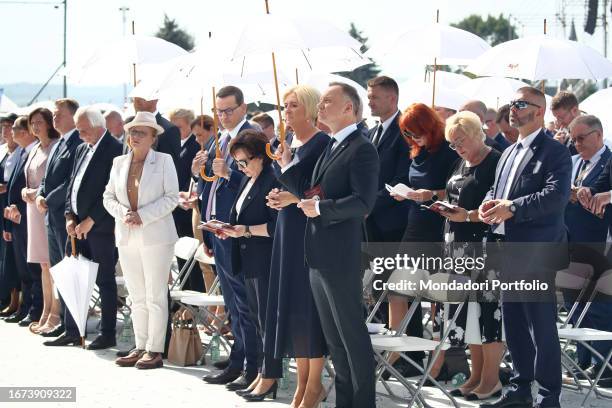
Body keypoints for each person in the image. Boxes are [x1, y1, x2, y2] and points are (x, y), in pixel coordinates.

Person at [279, 82, 379, 408]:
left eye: (327, 102)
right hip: (318, 255)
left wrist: (323, 208)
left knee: (352, 338)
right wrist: (287, 166)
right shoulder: (332, 145)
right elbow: (309, 192)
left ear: (349, 108)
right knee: (336, 343)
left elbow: (363, 202)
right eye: (320, 102)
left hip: (340, 255)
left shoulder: (361, 147)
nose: (320, 107)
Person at [479, 87, 572, 408]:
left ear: (540, 110)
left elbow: (556, 196)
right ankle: (520, 389)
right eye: (511, 103)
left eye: (520, 104)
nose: (512, 109)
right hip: (506, 247)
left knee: (541, 326)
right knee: (514, 323)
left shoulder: (554, 151)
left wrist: (513, 207)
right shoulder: (507, 151)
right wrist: (487, 204)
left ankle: (549, 397)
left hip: (537, 250)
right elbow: (498, 189)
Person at [266, 85, 330, 407]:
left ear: (308, 108)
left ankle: (314, 385)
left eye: (293, 106)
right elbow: (287, 184)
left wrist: (291, 194)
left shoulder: (322, 142)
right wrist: (277, 196)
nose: (287, 111)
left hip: (307, 228)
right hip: (285, 228)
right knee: (291, 305)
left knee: (308, 307)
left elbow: (318, 188)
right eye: (284, 106)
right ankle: (301, 382)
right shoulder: (287, 142)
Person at [195, 86, 259, 390]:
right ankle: (239, 356)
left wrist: (228, 174)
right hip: (217, 230)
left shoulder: (252, 136)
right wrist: (199, 174)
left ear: (243, 108)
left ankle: (247, 364)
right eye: (218, 111)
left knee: (243, 304)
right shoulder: (218, 139)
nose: (223, 116)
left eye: (228, 110)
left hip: (238, 232)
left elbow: (253, 185)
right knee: (233, 304)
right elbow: (211, 186)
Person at [104, 111, 179, 369]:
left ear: (153, 138)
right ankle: (140, 345)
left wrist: (142, 216)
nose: (134, 136)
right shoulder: (118, 162)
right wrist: (124, 214)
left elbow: (172, 198)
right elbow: (108, 197)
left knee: (155, 294)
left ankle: (155, 349)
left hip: (156, 236)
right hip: (126, 234)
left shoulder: (164, 160)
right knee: (136, 295)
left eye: (141, 132)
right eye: (132, 131)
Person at [44, 106, 123, 349]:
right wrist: (69, 216)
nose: (80, 135)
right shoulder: (81, 148)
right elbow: (72, 188)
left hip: (100, 228)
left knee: (105, 281)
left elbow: (114, 190)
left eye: (84, 130)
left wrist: (93, 219)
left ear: (99, 127)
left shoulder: (116, 149)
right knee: (71, 278)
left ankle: (107, 333)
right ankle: (71, 329)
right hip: (76, 226)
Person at [390, 103, 459, 377]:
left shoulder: (447, 151)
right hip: (414, 225)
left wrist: (429, 194)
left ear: (430, 127)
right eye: (408, 133)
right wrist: (404, 193)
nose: (413, 137)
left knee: (437, 298)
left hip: (437, 227)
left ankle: (439, 360)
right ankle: (396, 353)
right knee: (398, 290)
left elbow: (455, 191)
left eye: (417, 132)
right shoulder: (416, 151)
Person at [438, 111, 504, 400]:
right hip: (458, 247)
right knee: (471, 317)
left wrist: (467, 217)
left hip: (486, 248)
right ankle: (476, 376)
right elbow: (455, 195)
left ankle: (492, 380)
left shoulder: (496, 161)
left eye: (461, 141)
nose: (457, 147)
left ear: (478, 133)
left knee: (489, 315)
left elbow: (497, 208)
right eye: (452, 143)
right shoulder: (461, 161)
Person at [212, 130, 281, 401]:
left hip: (264, 259)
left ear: (262, 156)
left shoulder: (271, 179)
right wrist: (228, 230)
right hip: (247, 258)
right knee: (255, 319)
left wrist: (246, 231)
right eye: (238, 164)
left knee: (265, 322)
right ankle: (258, 374)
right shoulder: (248, 180)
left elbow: (277, 227)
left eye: (245, 162)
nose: (241, 168)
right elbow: (238, 216)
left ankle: (268, 377)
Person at [565, 115, 612, 384]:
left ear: (598, 134)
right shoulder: (572, 161)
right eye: (573, 139)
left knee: (599, 307)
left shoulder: (609, 160)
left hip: (599, 244)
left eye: (581, 138)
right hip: (570, 242)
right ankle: (581, 361)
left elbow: (600, 192)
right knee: (575, 305)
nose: (577, 143)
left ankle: (603, 365)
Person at [36, 98, 82, 338]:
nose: (55, 118)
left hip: (65, 215)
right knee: (58, 270)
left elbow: (71, 180)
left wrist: (49, 199)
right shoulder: (57, 144)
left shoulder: (77, 142)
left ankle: (73, 327)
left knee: (68, 270)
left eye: (59, 114)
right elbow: (47, 178)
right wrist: (40, 194)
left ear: (73, 116)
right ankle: (64, 321)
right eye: (54, 114)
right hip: (50, 218)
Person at [22, 107, 60, 334]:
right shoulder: (35, 148)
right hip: (31, 211)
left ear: (48, 123)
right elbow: (28, 177)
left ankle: (55, 313)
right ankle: (46, 311)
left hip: (47, 209)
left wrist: (37, 192)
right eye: (32, 122)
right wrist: (26, 191)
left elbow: (51, 181)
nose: (35, 126)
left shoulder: (55, 147)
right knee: (43, 264)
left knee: (52, 264)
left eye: (39, 122)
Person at [3, 116, 42, 325]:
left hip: (29, 217)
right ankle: (26, 308)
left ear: (25, 132)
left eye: (14, 129)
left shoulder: (32, 152)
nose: (10, 132)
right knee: (22, 268)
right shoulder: (23, 153)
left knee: (32, 268)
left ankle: (35, 310)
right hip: (17, 218)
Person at [170, 108, 204, 292]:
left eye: (180, 126)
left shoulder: (194, 145)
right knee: (182, 256)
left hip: (189, 206)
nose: (176, 130)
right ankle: (186, 296)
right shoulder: (178, 144)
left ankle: (195, 298)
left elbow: (191, 175)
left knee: (193, 256)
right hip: (177, 205)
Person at [0, 113, 20, 317]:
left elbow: (15, 183)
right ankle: (7, 296)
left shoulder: (22, 153)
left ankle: (16, 299)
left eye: (9, 127)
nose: (6, 131)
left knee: (13, 256)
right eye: (3, 127)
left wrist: (5, 188)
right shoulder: (3, 152)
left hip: (11, 207)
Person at [132, 97, 181, 165]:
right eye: (135, 96)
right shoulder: (128, 124)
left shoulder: (169, 130)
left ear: (155, 99)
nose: (136, 99)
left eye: (142, 96)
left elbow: (171, 169)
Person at [550, 91, 580, 155]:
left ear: (574, 111)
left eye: (561, 117)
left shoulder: (589, 132)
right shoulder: (566, 134)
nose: (558, 122)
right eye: (556, 118)